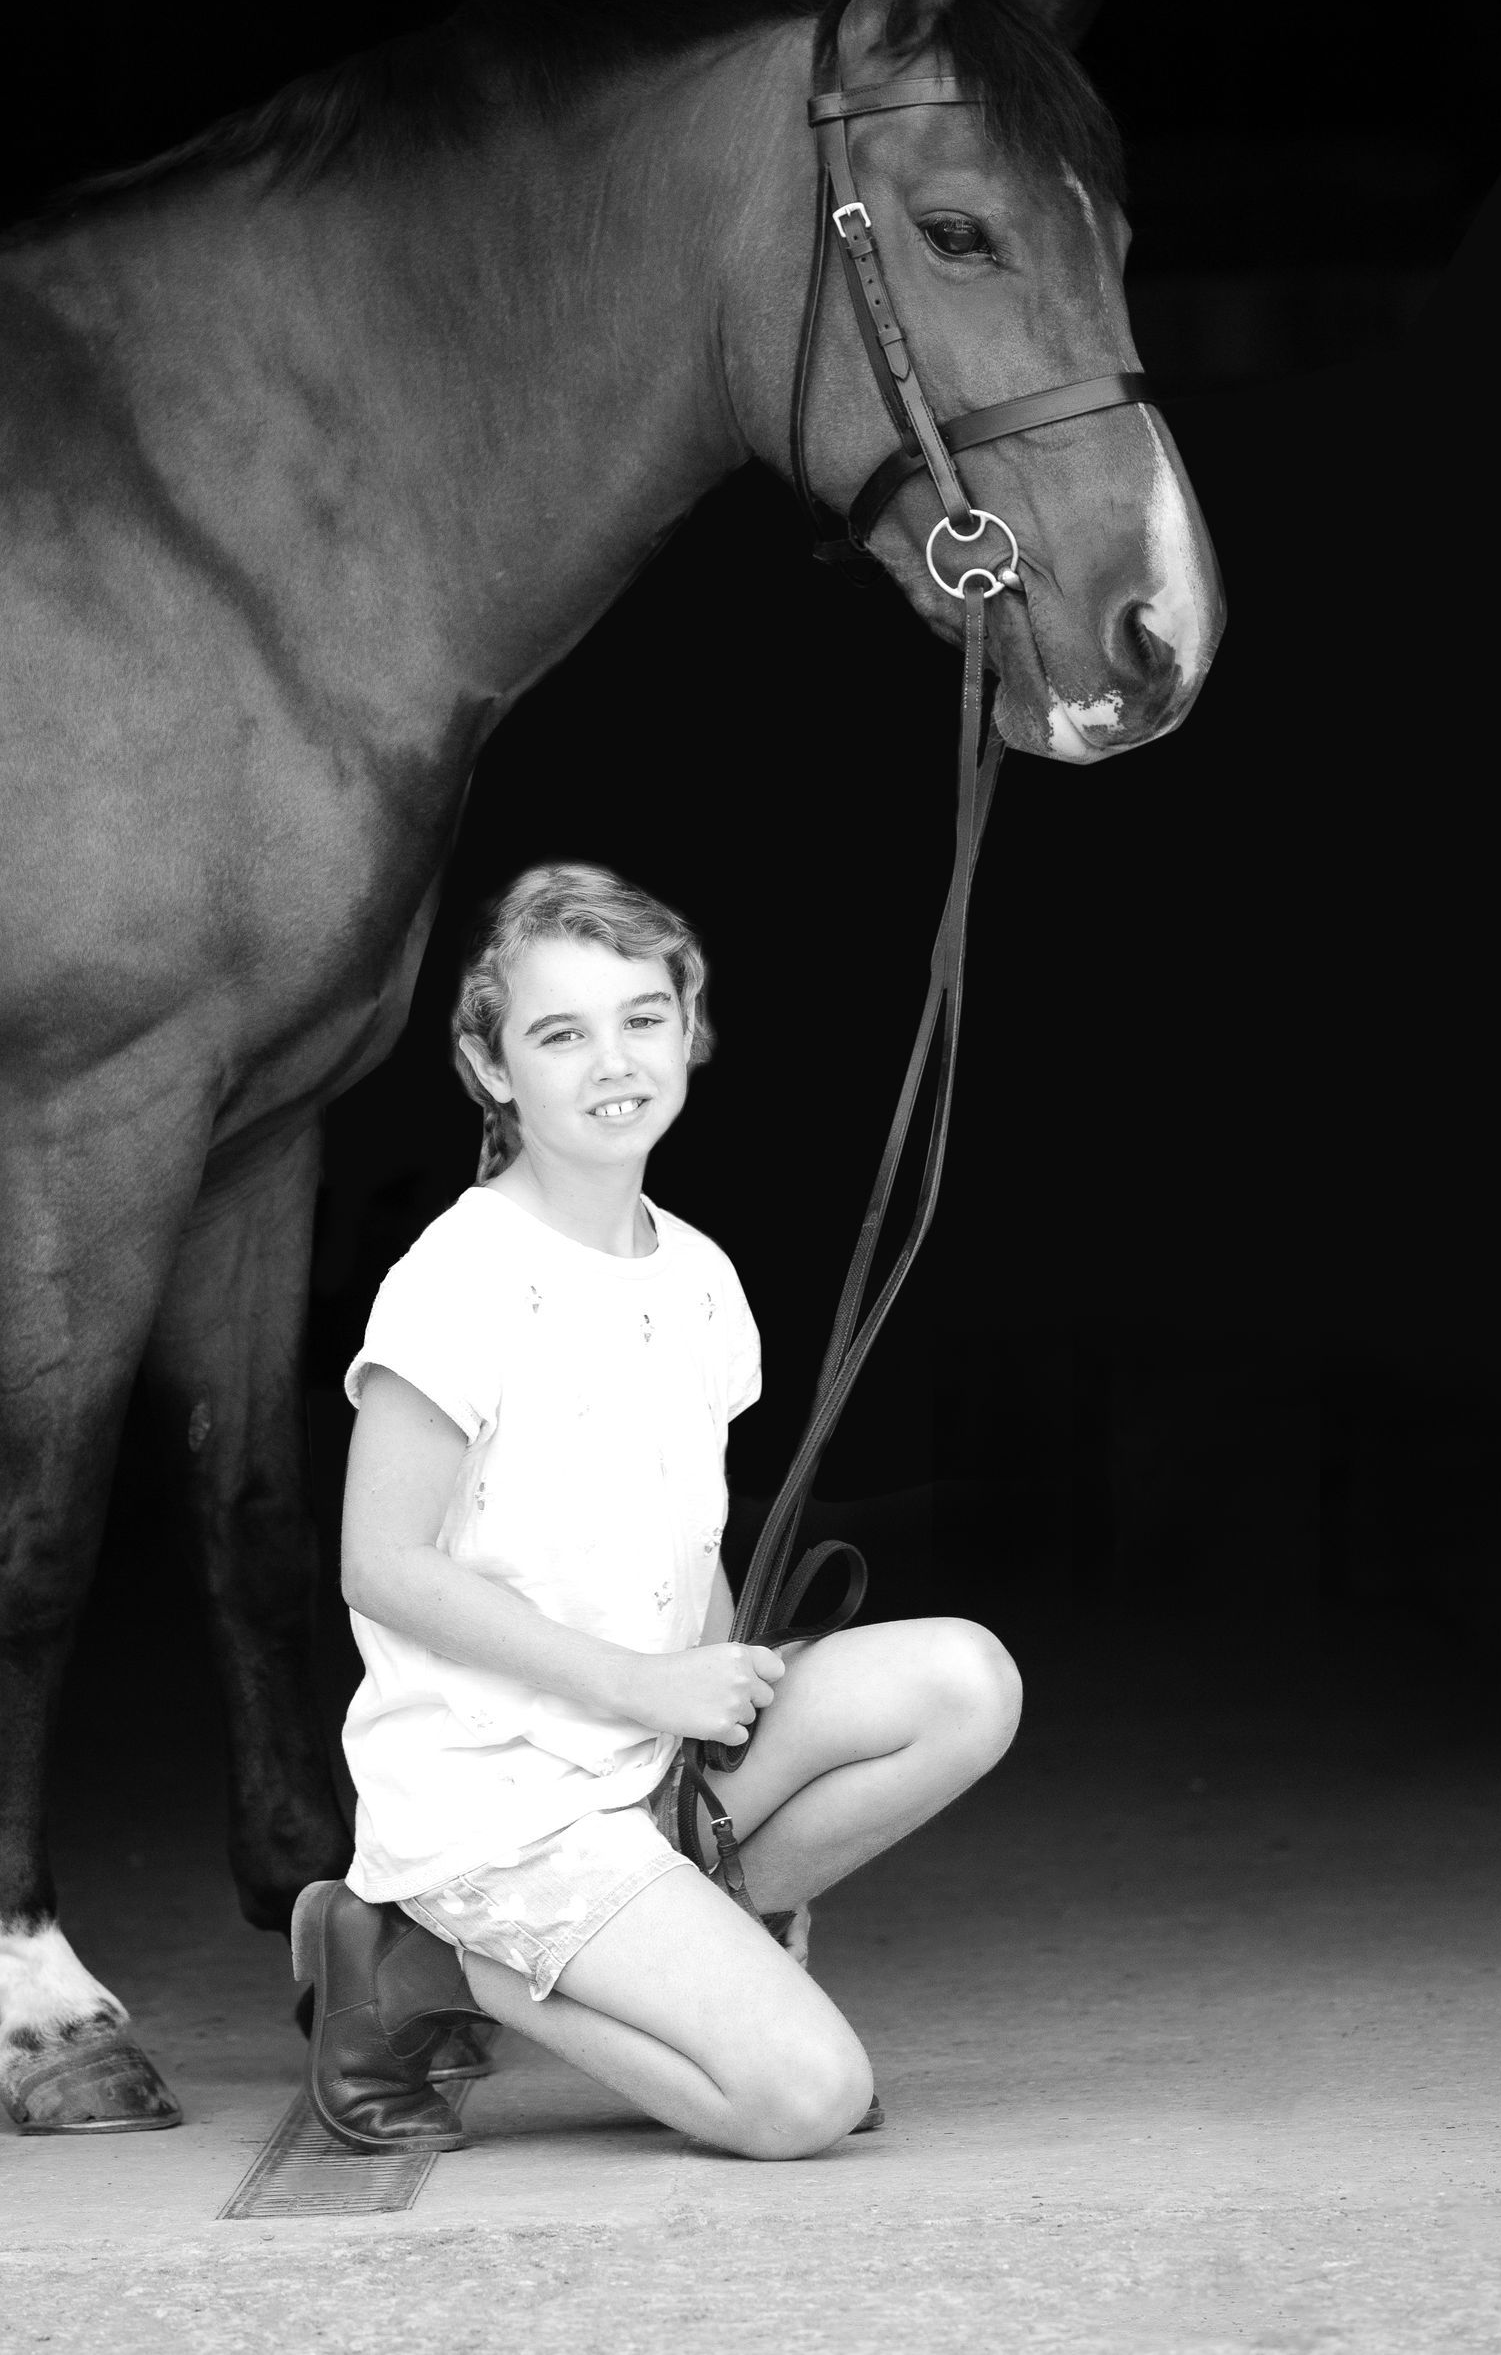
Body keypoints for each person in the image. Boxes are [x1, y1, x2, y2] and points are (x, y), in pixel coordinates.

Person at [293, 863, 1021, 2161]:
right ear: (490, 1064)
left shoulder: (699, 1276)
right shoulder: (457, 1279)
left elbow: (681, 1535)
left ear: (691, 1026)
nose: (612, 1060)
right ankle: (435, 1955)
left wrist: (707, 1675)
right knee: (806, 2100)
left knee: (968, 1680)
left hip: (650, 1758)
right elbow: (378, 1565)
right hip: (508, 1799)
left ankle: (686, 1950)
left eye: (642, 1015)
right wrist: (644, 1688)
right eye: (559, 1032)